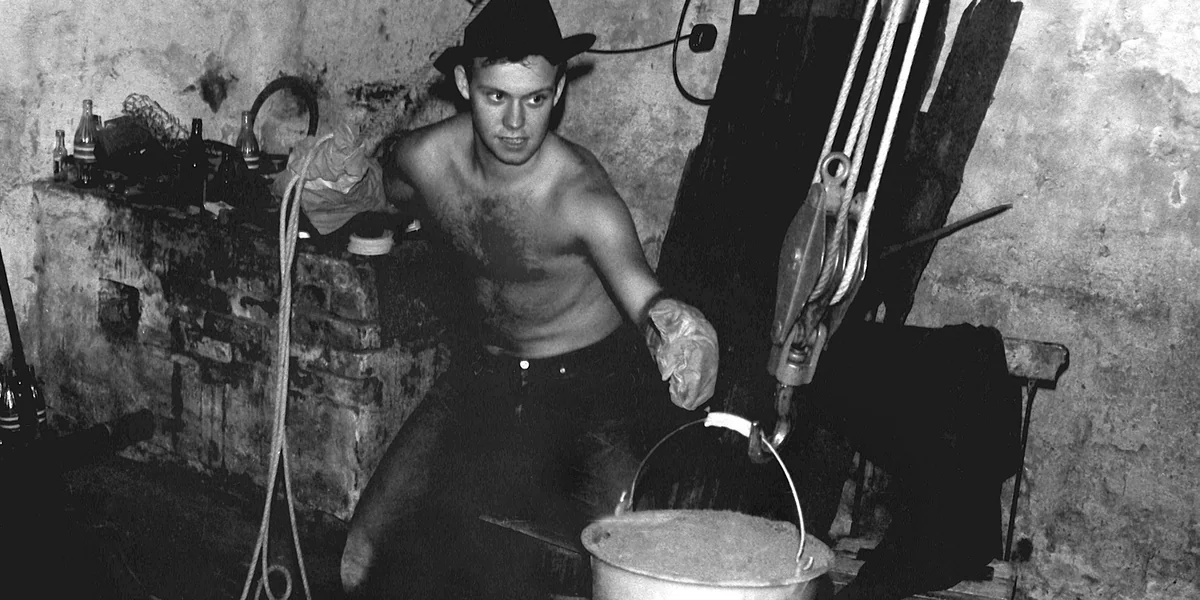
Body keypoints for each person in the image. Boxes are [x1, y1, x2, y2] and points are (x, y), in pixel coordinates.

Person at [289, 0, 721, 596]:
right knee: (365, 551)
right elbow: (377, 188)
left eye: (535, 99)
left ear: (559, 89)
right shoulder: (427, 159)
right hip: (482, 375)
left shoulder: (581, 197)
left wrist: (679, 331)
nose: (516, 122)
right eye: (497, 97)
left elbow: (643, 295)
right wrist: (335, 179)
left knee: (630, 572)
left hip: (589, 392)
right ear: (464, 83)